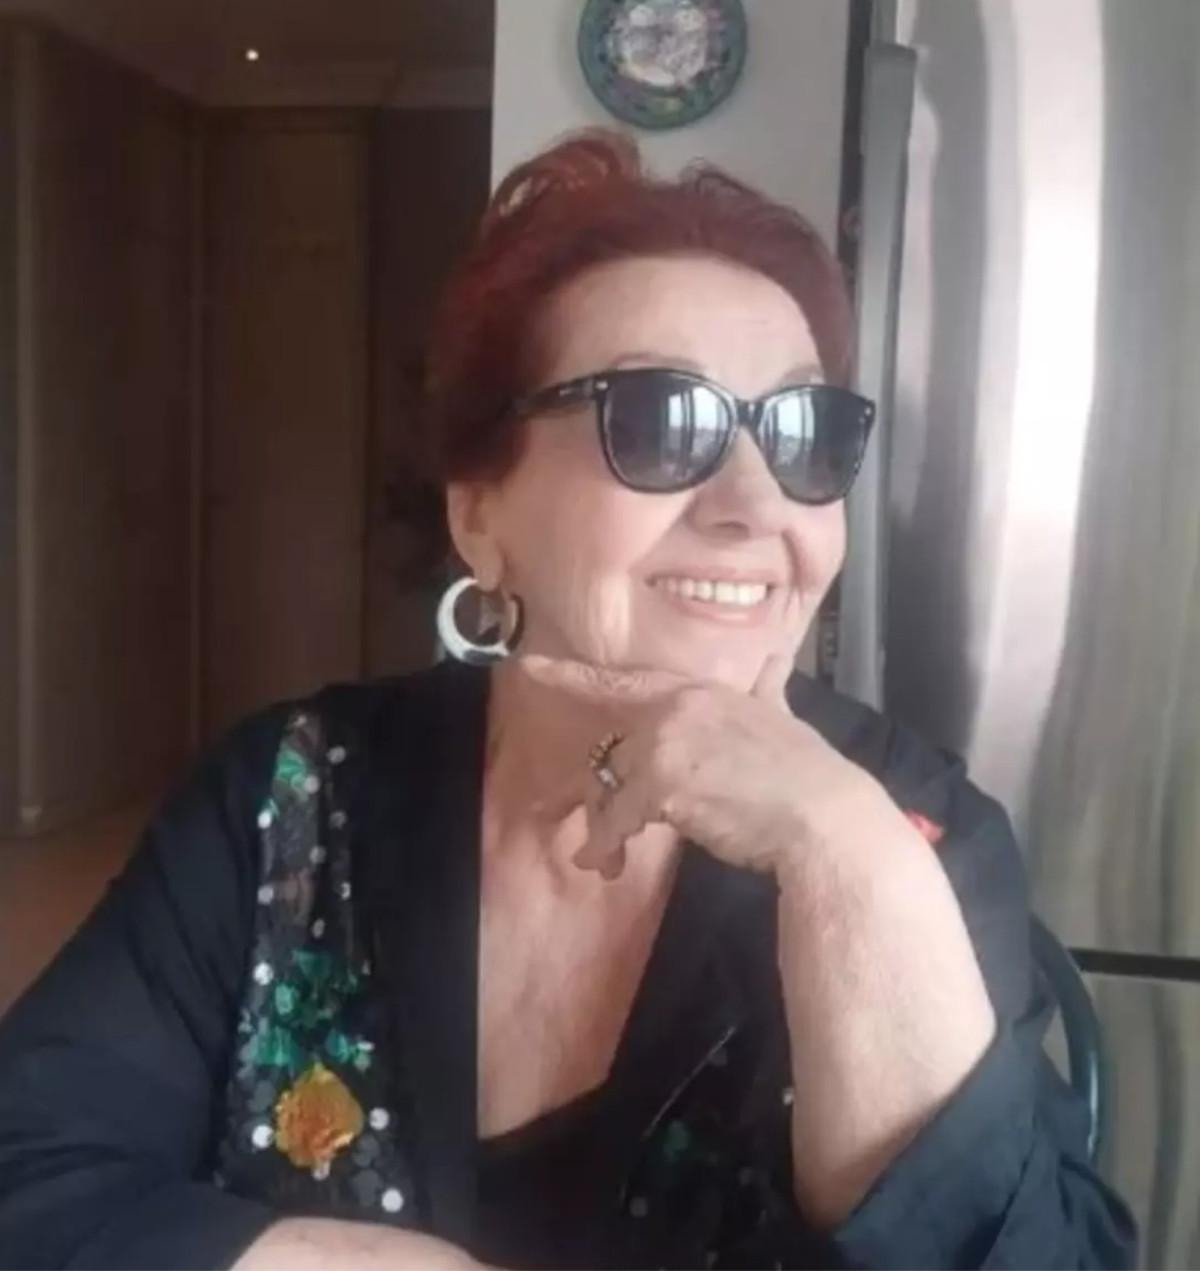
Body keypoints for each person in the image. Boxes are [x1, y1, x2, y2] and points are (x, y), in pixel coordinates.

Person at [0, 131, 1136, 1271]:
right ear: (480, 514)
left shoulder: (917, 831)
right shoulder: (290, 797)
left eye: (804, 433)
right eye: (657, 421)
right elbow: (28, 1174)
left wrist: (846, 856)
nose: (755, 506)